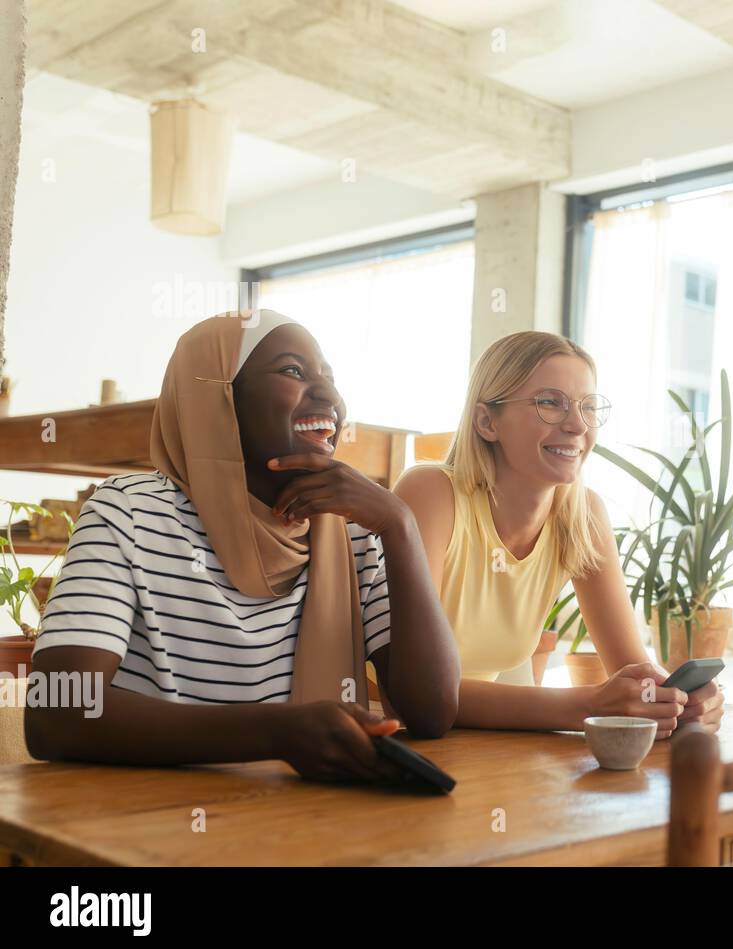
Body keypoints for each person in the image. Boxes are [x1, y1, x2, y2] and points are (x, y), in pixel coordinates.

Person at [25, 311, 460, 782]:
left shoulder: (353, 532)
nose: (330, 397)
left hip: (305, 825)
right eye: (293, 371)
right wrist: (276, 734)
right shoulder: (129, 512)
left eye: (330, 379)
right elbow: (58, 713)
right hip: (139, 826)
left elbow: (431, 713)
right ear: (218, 398)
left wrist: (401, 526)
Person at [394, 331, 724, 739]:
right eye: (550, 403)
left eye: (588, 407)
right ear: (487, 421)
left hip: (473, 742)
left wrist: (677, 701)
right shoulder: (430, 493)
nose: (576, 425)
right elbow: (411, 695)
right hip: (386, 733)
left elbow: (631, 669)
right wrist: (587, 705)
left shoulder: (583, 515)